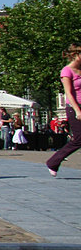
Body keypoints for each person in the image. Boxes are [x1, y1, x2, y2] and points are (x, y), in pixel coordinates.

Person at [47, 44, 81, 177]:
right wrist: (77, 110)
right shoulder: (67, 71)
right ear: (76, 55)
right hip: (74, 108)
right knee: (79, 139)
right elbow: (69, 93)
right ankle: (53, 161)